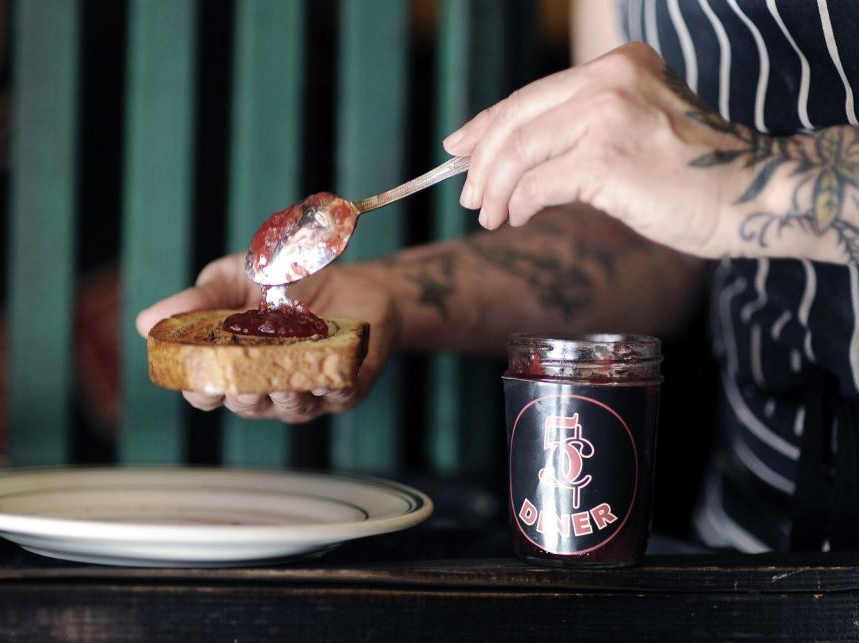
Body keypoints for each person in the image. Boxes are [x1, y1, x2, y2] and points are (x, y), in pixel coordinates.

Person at [137, 0, 859, 553]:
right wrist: (386, 295)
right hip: (759, 519)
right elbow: (640, 236)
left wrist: (758, 182)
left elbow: (709, 185)